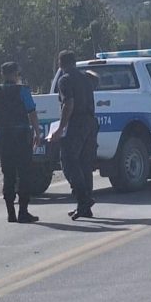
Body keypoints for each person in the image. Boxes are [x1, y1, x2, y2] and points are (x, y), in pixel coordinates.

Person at [0, 61, 41, 223]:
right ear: (15, 74)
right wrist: (37, 132)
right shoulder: (23, 91)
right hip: (21, 136)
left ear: (3, 75)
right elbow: (32, 113)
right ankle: (23, 212)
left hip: (5, 137)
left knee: (8, 174)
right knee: (24, 174)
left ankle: (11, 213)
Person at [52, 50, 98, 220]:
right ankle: (84, 205)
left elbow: (68, 104)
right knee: (85, 163)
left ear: (60, 63)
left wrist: (60, 128)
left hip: (76, 124)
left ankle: (83, 200)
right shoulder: (86, 78)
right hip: (90, 123)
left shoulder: (64, 80)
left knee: (69, 162)